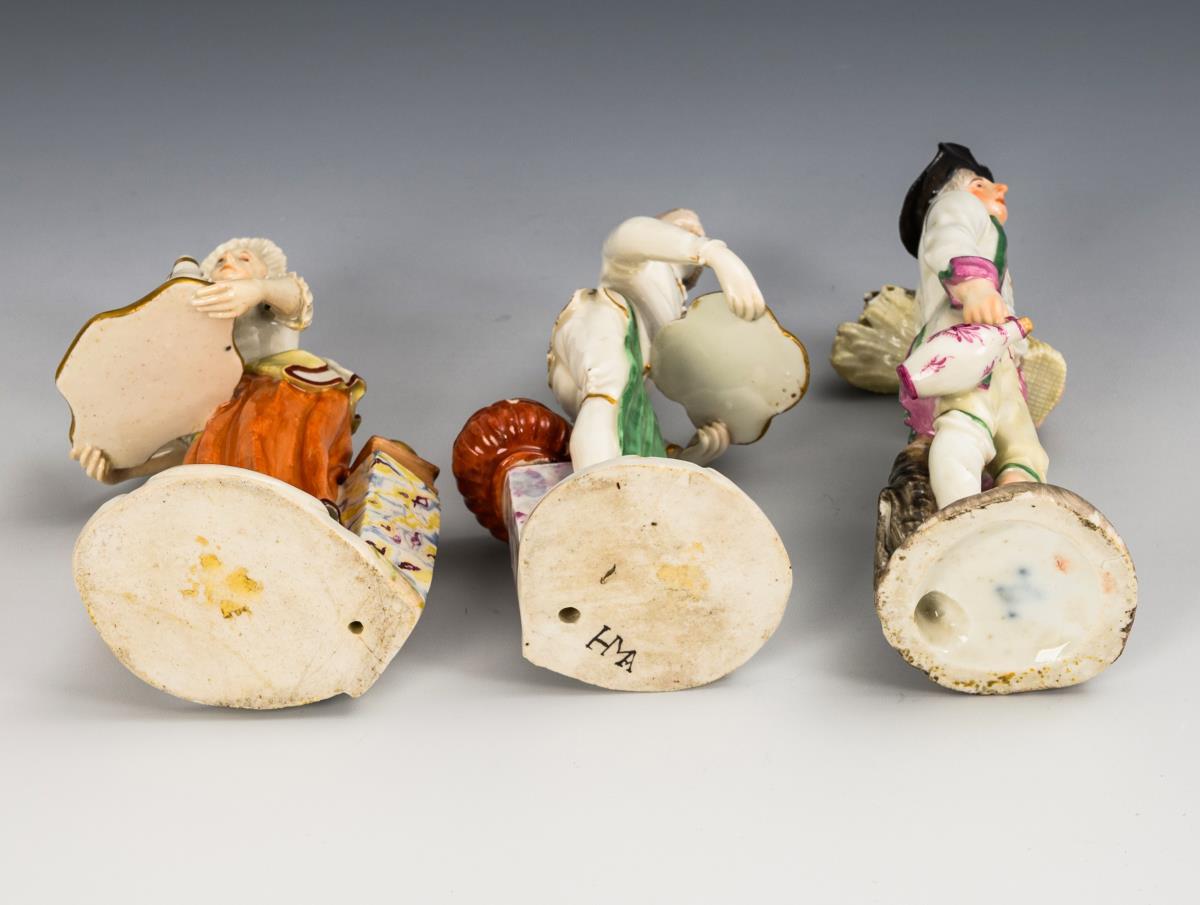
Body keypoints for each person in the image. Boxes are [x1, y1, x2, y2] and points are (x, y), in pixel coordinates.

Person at [72, 238, 367, 509]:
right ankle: (231, 513)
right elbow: (191, 447)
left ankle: (293, 505)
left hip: (290, 390)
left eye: (244, 259)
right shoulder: (215, 383)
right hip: (234, 402)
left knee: (264, 419)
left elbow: (293, 296)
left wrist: (258, 290)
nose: (229, 262)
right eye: (220, 261)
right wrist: (122, 472)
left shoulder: (270, 304)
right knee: (216, 439)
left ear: (267, 273)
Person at [548, 209, 766, 470]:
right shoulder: (637, 263)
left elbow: (630, 419)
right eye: (683, 226)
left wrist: (686, 459)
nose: (696, 231)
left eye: (698, 232)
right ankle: (591, 490)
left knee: (619, 413)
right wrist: (712, 252)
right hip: (603, 320)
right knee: (609, 392)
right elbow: (632, 234)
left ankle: (600, 483)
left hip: (613, 378)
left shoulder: (673, 310)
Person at [898, 143, 1050, 508]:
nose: (1001, 189)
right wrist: (974, 285)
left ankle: (1013, 499)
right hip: (969, 342)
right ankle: (962, 512)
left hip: (995, 351)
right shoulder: (956, 203)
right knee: (965, 422)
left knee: (1019, 441)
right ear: (970, 187)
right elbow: (949, 237)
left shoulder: (988, 230)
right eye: (983, 183)